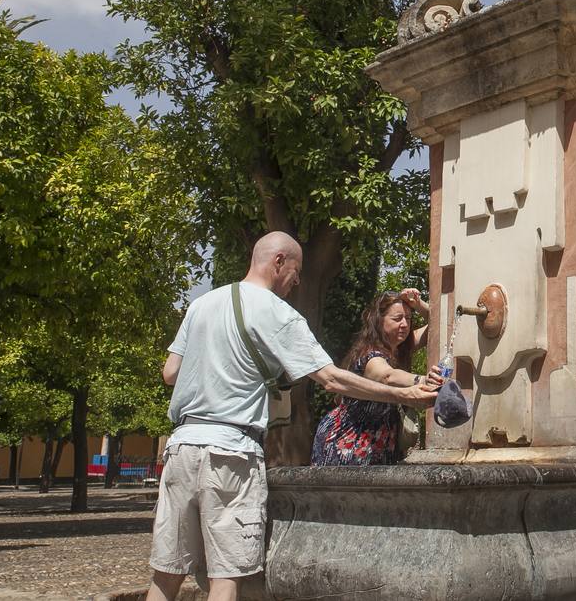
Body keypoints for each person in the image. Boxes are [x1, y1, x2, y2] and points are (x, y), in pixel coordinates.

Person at [144, 232, 438, 601]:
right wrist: (404, 394)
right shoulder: (278, 314)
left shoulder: (203, 304)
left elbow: (170, 373)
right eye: (296, 272)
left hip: (182, 447)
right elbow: (331, 378)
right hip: (230, 455)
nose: (297, 281)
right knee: (226, 574)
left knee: (167, 572)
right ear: (278, 261)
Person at [311, 288, 432, 466]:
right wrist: (423, 381)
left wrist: (419, 304)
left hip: (380, 444)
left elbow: (441, 323)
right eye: (397, 318)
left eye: (409, 318)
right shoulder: (370, 355)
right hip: (349, 442)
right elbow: (387, 376)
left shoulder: (401, 348)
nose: (405, 324)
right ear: (379, 321)